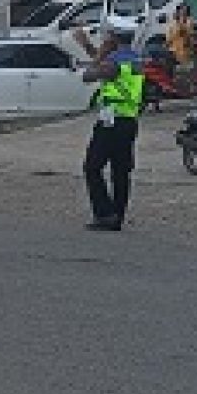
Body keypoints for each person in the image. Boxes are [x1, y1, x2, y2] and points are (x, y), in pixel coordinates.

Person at [76, 15, 143, 232]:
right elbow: (103, 64)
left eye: (108, 36)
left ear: (114, 38)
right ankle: (117, 216)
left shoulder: (114, 63)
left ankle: (104, 213)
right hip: (129, 120)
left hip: (111, 122)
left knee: (92, 167)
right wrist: (88, 46)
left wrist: (97, 52)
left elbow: (88, 75)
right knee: (120, 171)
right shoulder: (135, 59)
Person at [166, 3, 196, 69]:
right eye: (181, 11)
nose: (183, 13)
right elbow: (169, 38)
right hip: (175, 51)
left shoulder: (190, 21)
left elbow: (191, 34)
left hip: (187, 52)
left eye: (185, 11)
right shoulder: (173, 23)